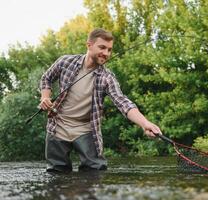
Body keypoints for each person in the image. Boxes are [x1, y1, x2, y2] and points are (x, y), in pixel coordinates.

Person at [39, 28, 161, 173]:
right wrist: (45, 97)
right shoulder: (66, 62)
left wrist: (145, 123)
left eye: (109, 50)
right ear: (89, 45)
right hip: (57, 127)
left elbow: (123, 102)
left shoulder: (107, 77)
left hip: (86, 130)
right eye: (102, 47)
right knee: (56, 176)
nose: (106, 53)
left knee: (95, 172)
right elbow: (46, 78)